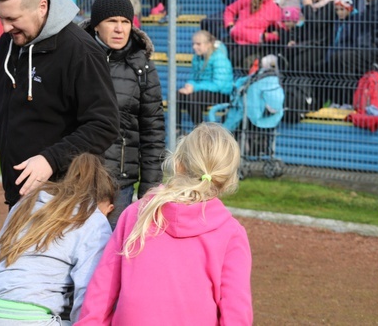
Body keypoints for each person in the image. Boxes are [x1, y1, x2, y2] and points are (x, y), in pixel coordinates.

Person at [0, 0, 119, 208]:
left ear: (42, 7)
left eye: (13, 19)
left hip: (64, 199)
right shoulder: (8, 43)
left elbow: (104, 125)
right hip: (20, 194)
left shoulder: (81, 51)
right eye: (0, 18)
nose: (5, 27)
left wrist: (50, 160)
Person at [76, 122, 252, 325]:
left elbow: (101, 290)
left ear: (178, 164)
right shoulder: (231, 233)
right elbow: (236, 313)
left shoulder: (136, 213)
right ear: (228, 178)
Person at [0, 153, 116, 325]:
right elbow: (89, 294)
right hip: (23, 317)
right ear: (103, 203)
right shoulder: (94, 220)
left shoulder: (30, 200)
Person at [82, 0, 165, 226]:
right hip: (75, 181)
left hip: (119, 186)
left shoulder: (143, 68)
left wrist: (150, 190)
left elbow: (153, 134)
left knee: (111, 256)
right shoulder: (76, 58)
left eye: (125, 22)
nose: (119, 28)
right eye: (111, 21)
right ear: (96, 25)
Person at [176, 30, 234, 131]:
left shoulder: (219, 57)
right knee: (177, 95)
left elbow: (218, 85)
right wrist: (189, 85)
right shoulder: (197, 58)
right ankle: (176, 130)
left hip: (222, 94)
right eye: (193, 44)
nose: (194, 47)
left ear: (208, 44)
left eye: (198, 44)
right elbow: (193, 77)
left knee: (192, 98)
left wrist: (195, 87)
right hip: (204, 91)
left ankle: (200, 131)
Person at [224, 0, 282, 69]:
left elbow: (282, 29)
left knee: (233, 58)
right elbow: (230, 10)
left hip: (252, 43)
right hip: (235, 36)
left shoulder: (274, 9)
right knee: (218, 50)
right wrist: (229, 26)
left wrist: (265, 36)